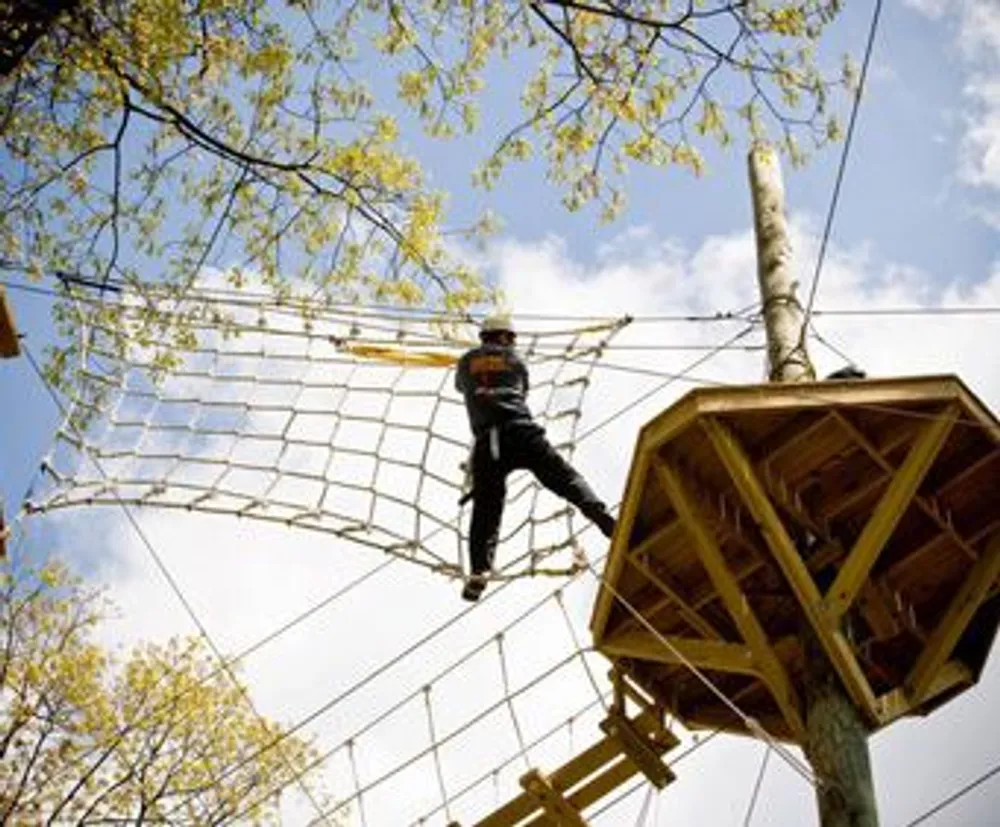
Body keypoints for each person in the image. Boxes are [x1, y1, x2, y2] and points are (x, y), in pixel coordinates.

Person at [455, 313, 616, 601]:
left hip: (488, 442)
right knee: (566, 478)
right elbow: (521, 390)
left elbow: (461, 386)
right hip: (521, 431)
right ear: (505, 337)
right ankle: (602, 518)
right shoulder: (516, 363)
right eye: (512, 339)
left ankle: (479, 572)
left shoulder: (465, 362)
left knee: (486, 512)